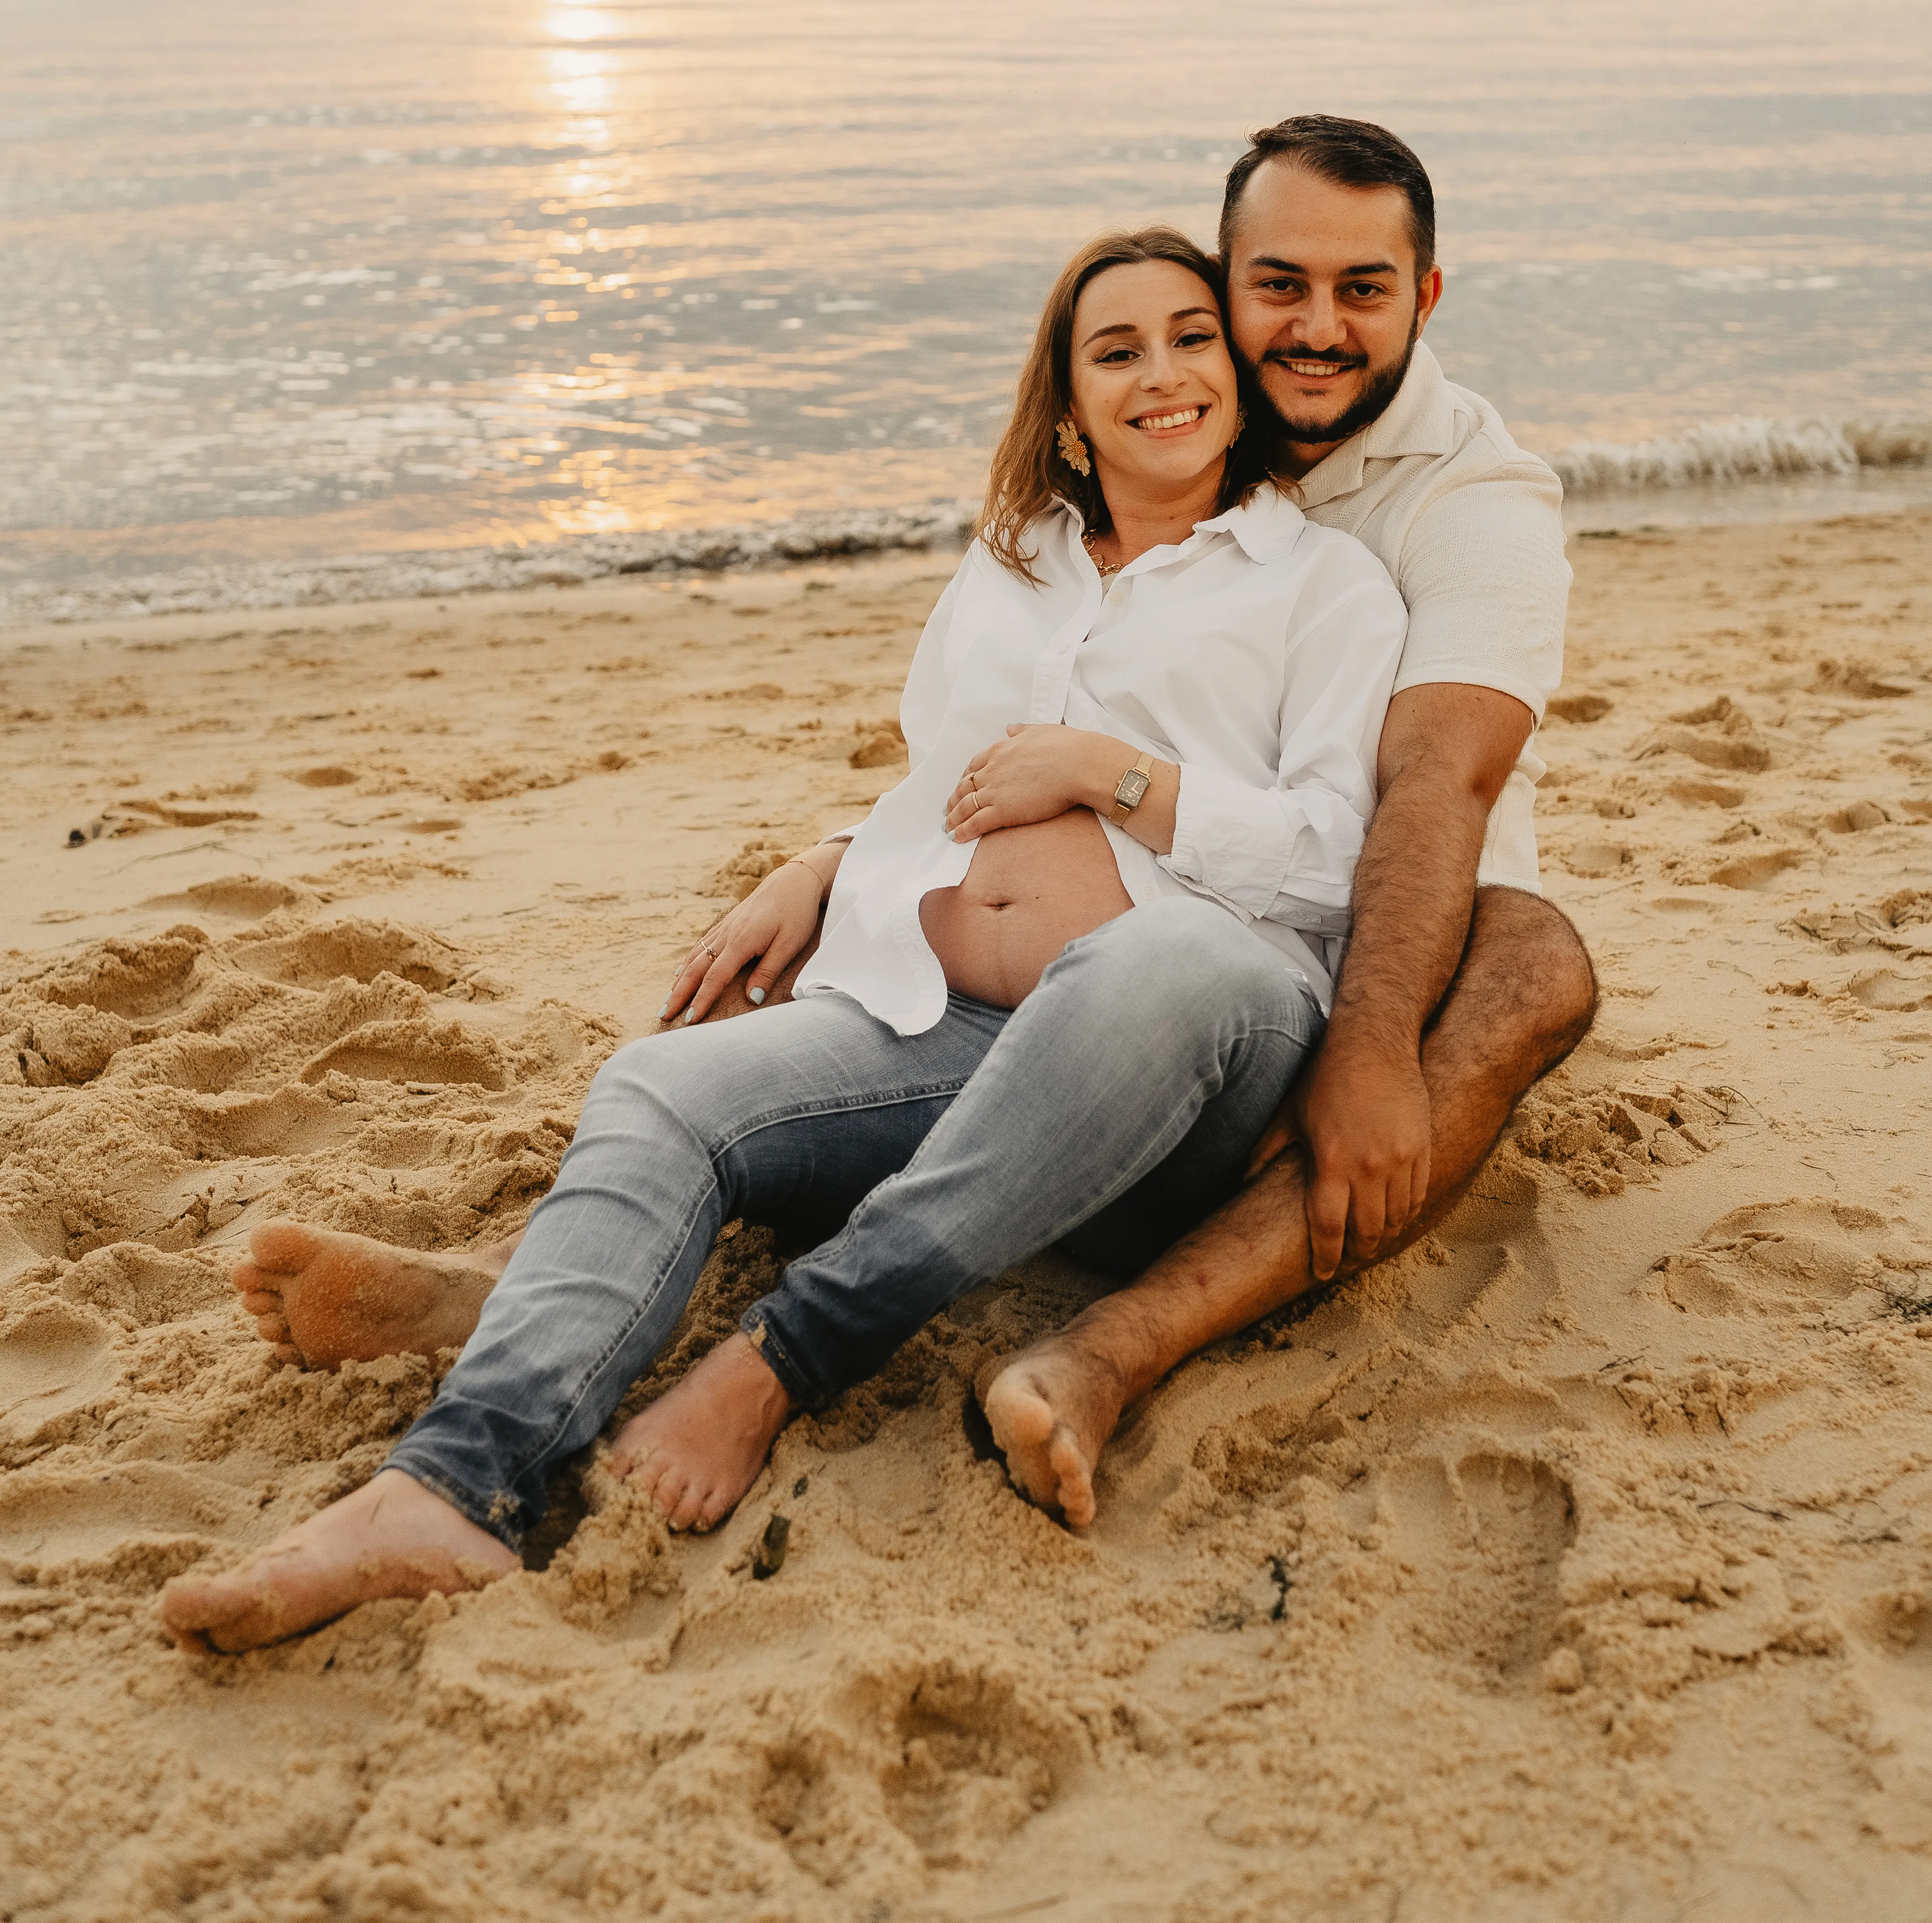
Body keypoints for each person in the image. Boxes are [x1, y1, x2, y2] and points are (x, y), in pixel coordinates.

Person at [161, 224, 1409, 1652]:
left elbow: (1333, 853)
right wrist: (827, 857)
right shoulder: (1013, 569)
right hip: (942, 1022)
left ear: (1242, 380)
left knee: (1162, 959)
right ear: (1066, 407)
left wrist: (1109, 774)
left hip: (1190, 1050)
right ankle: (448, 1487)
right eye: (1116, 351)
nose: (1165, 373)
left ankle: (780, 1358)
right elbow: (937, 776)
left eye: (1195, 338)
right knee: (659, 1089)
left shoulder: (1322, 586)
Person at [981, 115, 1597, 1525]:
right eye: (1280, 286)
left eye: (1363, 291)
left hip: (1397, 930)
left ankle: (1105, 1357)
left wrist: (1375, 1046)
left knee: (1539, 965)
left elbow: (1440, 784)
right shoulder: (1171, 413)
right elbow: (1017, 686)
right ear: (1225, 276)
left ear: (1424, 296)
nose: (1316, 329)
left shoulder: (1476, 504)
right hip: (1154, 905)